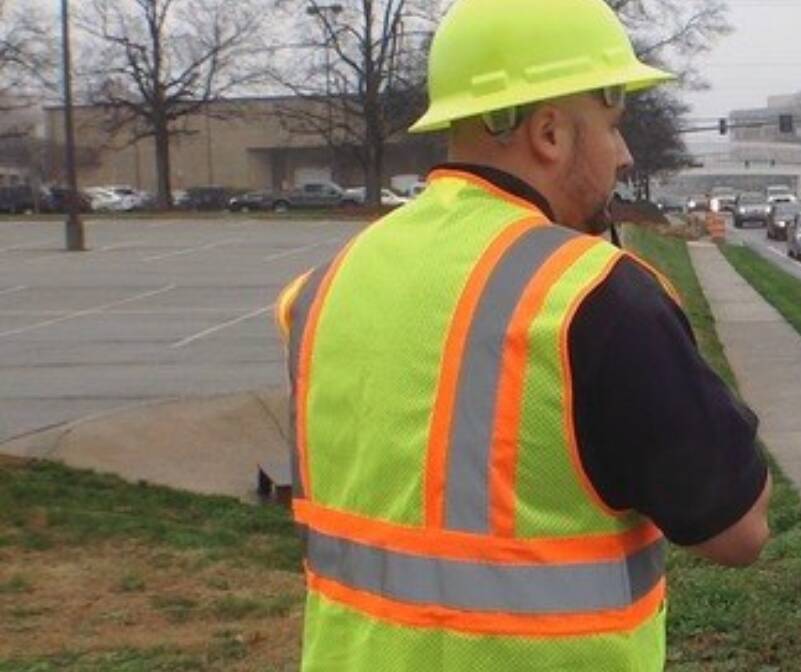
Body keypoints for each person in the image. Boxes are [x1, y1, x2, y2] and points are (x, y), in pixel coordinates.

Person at [274, 0, 771, 668]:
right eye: (612, 125)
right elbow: (738, 531)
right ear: (549, 133)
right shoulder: (596, 299)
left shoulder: (325, 286)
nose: (623, 155)